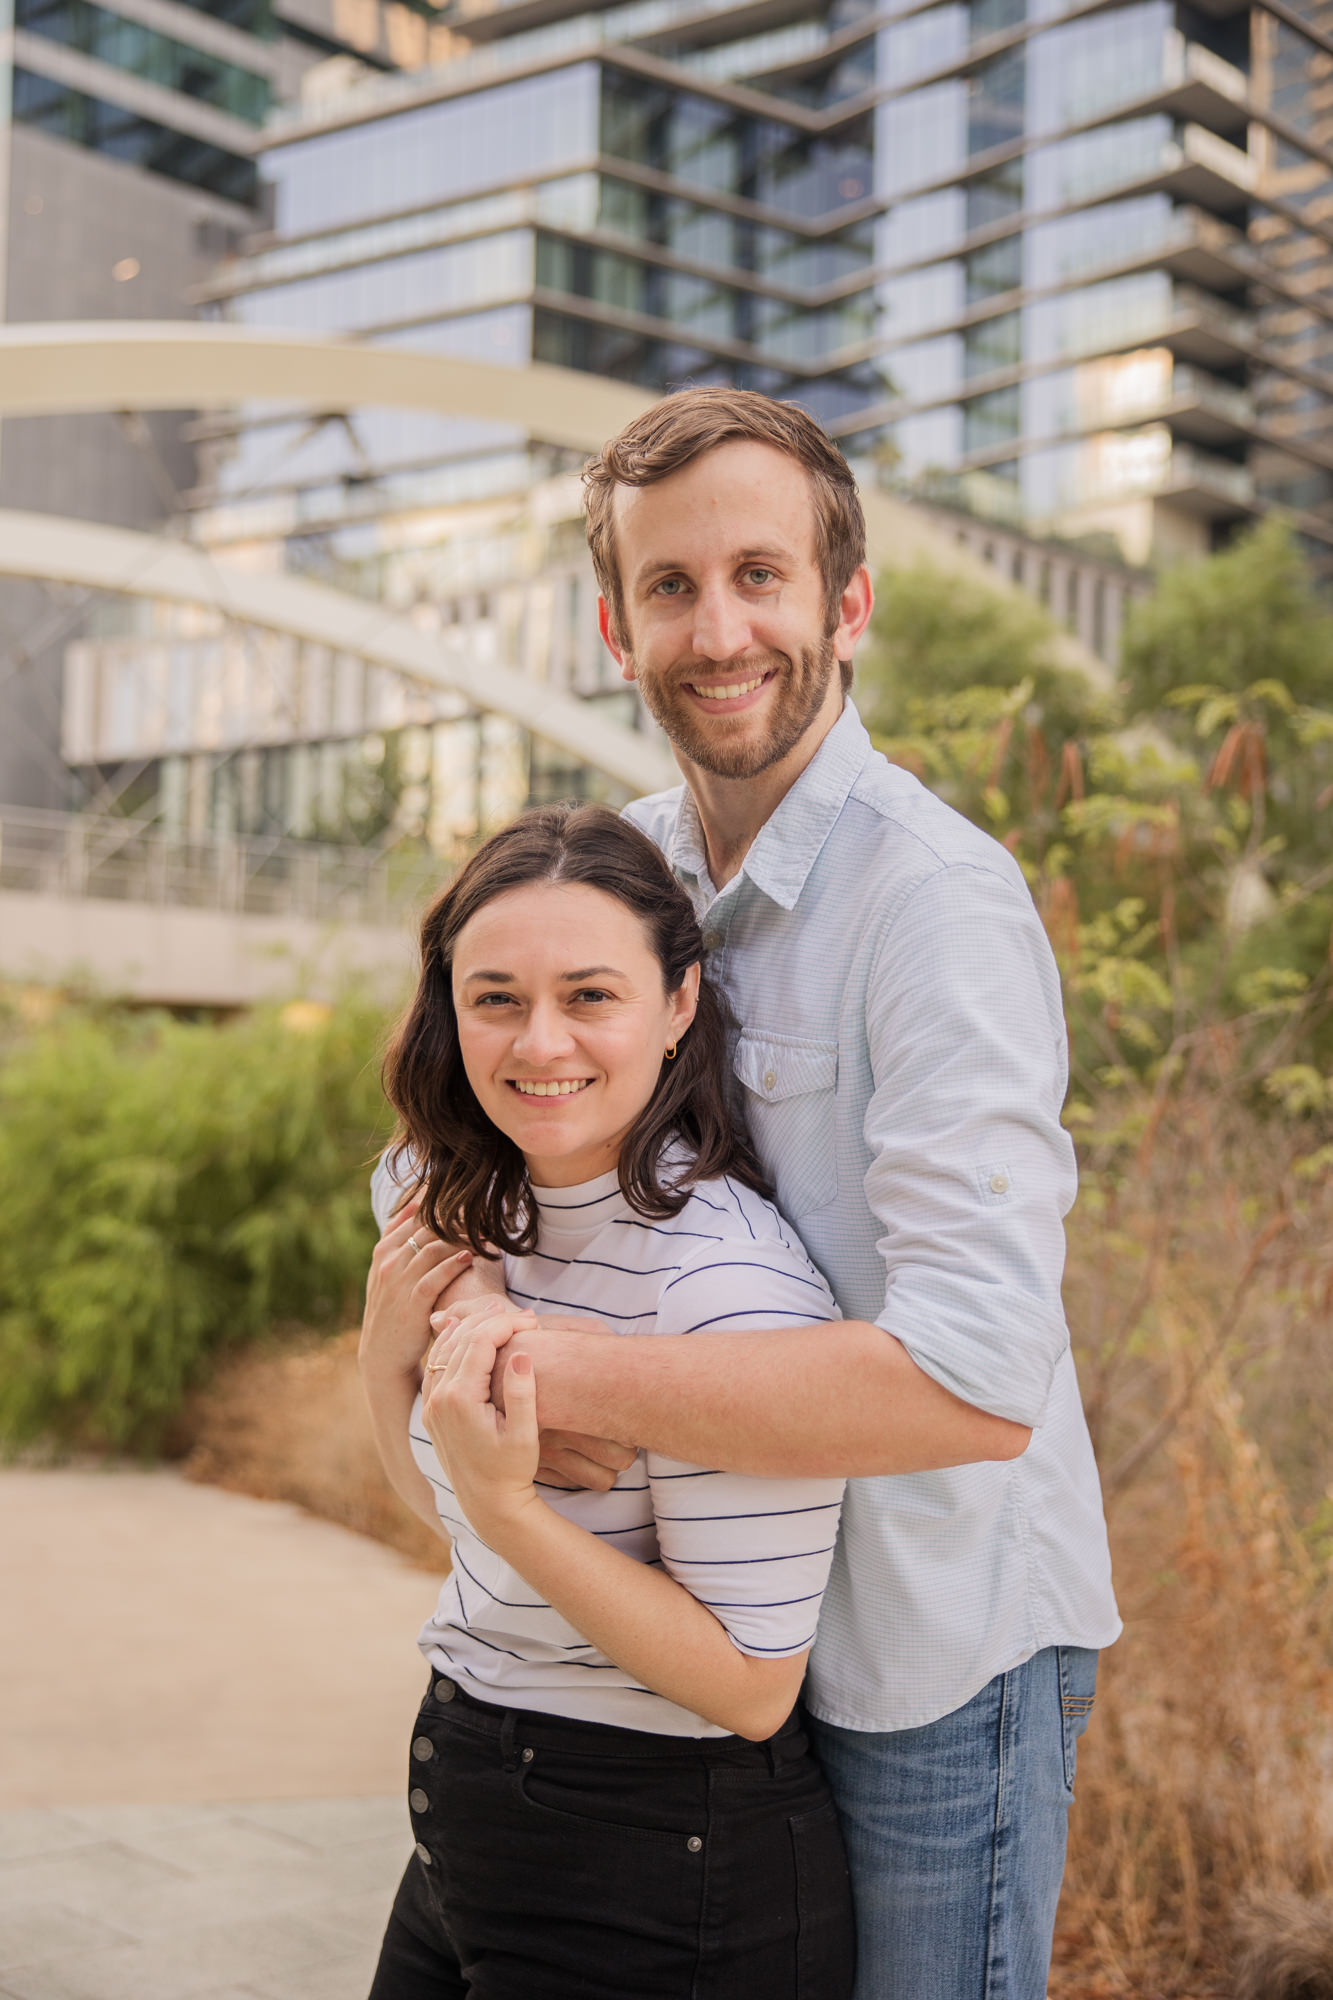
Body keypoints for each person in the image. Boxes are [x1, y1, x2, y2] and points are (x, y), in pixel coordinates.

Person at [428, 388, 1122, 2000]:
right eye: (671, 587)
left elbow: (973, 1377)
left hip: (924, 1649)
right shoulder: (636, 873)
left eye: (761, 576)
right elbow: (453, 1151)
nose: (717, 628)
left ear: (846, 605)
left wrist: (543, 1376)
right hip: (719, 1625)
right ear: (614, 626)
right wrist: (466, 1296)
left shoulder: (932, 902)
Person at [358, 802, 856, 2000]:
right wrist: (387, 1354)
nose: (539, 1043)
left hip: (659, 1866)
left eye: (589, 995)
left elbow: (750, 1684)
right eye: (496, 997)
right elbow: (451, 1528)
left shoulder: (724, 1291)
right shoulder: (442, 1196)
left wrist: (510, 1506)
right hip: (470, 1816)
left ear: (678, 1002)